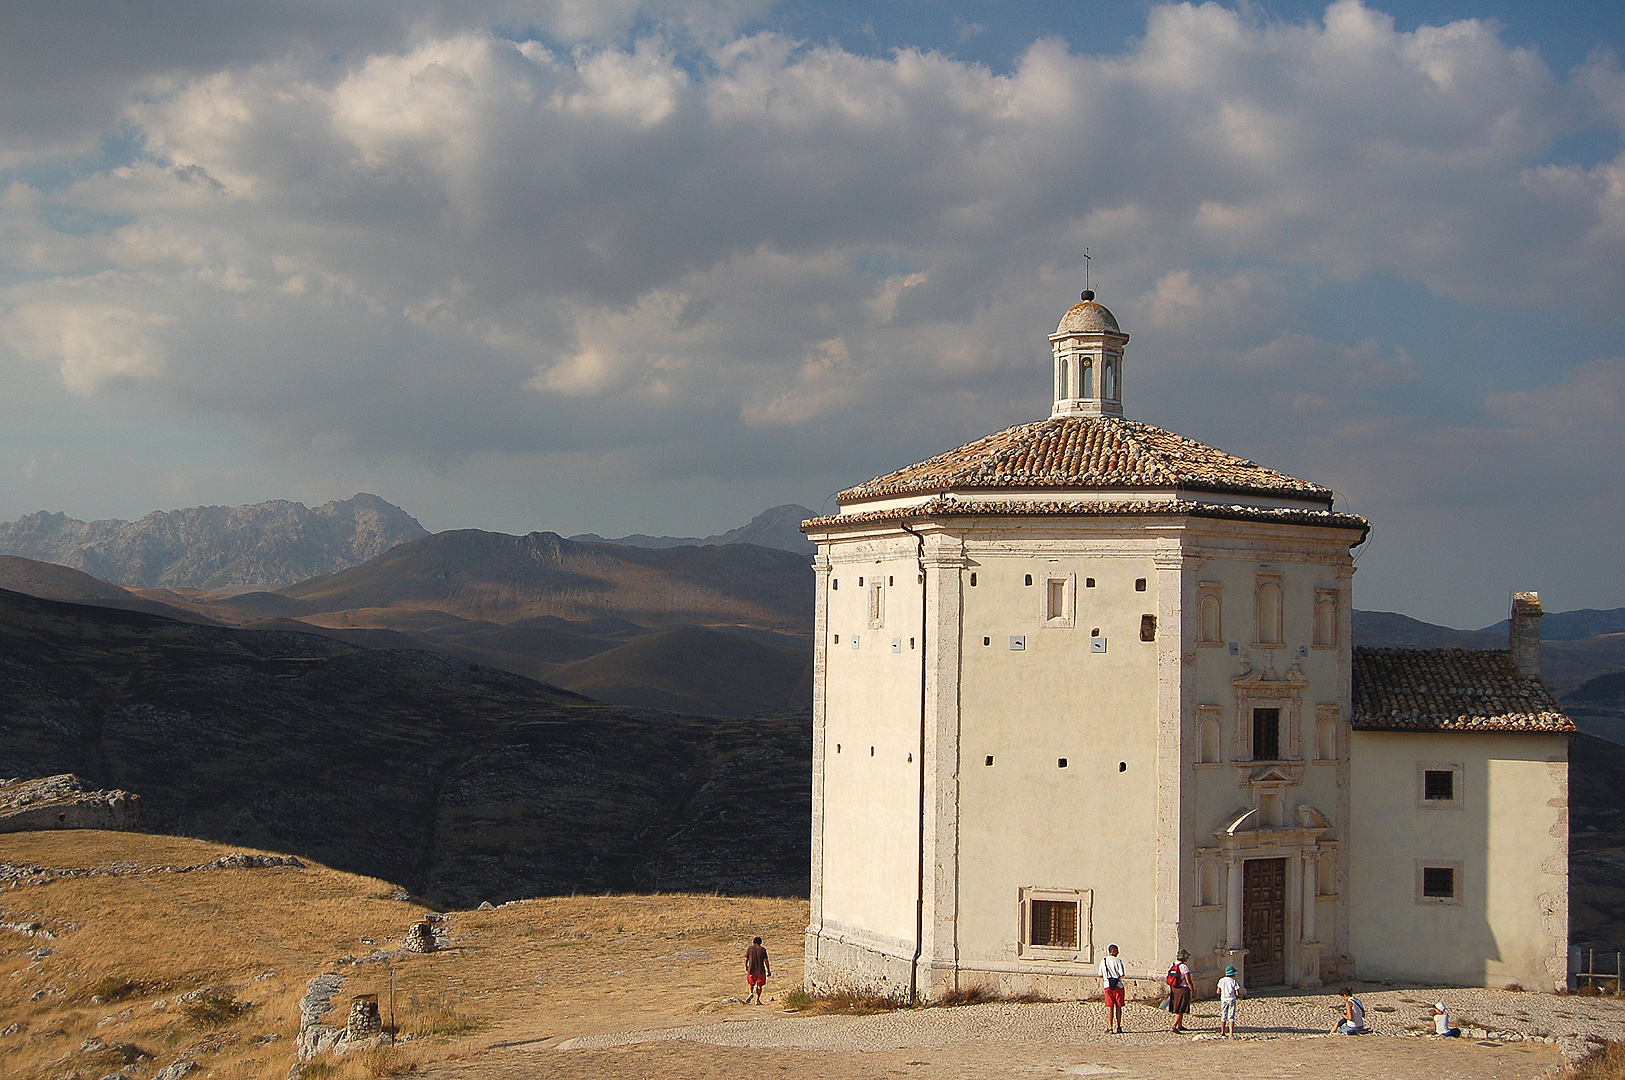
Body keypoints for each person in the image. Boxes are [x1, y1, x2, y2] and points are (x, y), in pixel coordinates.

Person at [1099, 944, 1126, 1033]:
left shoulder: (1103, 961)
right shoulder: (1118, 961)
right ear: (1114, 951)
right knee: (1119, 1006)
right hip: (1118, 986)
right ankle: (1118, 1026)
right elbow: (1122, 974)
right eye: (1117, 951)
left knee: (1110, 1007)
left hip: (1107, 985)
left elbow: (1100, 975)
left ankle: (1110, 1027)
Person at [1165, 949, 1193, 1033]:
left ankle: (1180, 1025)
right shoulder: (1184, 967)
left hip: (1174, 988)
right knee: (1180, 1008)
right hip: (1183, 989)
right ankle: (1174, 1026)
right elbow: (1189, 981)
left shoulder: (1173, 965)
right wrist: (1193, 991)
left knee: (1179, 1007)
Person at [1216, 965, 1245, 1037]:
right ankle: (1231, 1032)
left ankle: (1222, 1032)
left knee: (1223, 1015)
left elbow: (1218, 991)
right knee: (1231, 1016)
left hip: (1224, 999)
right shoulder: (1234, 981)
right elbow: (1237, 993)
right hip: (1231, 999)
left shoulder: (1221, 980)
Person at [744, 936, 771, 1004]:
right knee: (759, 985)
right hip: (761, 970)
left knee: (751, 983)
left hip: (751, 970)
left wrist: (746, 966)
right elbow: (766, 961)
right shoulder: (762, 949)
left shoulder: (750, 949)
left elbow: (746, 959)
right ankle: (757, 1000)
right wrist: (768, 970)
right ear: (760, 942)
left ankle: (750, 993)